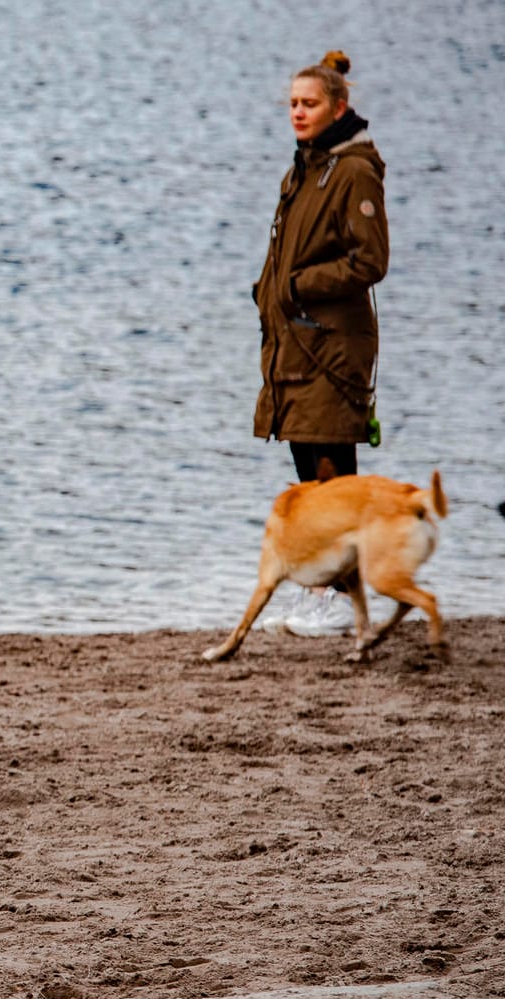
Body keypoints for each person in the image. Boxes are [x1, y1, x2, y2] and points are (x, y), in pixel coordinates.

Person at [252, 51, 388, 636]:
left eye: (309, 104)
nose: (298, 113)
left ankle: (337, 602)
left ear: (339, 107)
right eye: (293, 104)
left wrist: (299, 286)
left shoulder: (354, 170)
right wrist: (268, 292)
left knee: (334, 478)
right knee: (310, 478)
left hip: (332, 348)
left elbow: (371, 260)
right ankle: (323, 594)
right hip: (296, 344)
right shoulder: (305, 167)